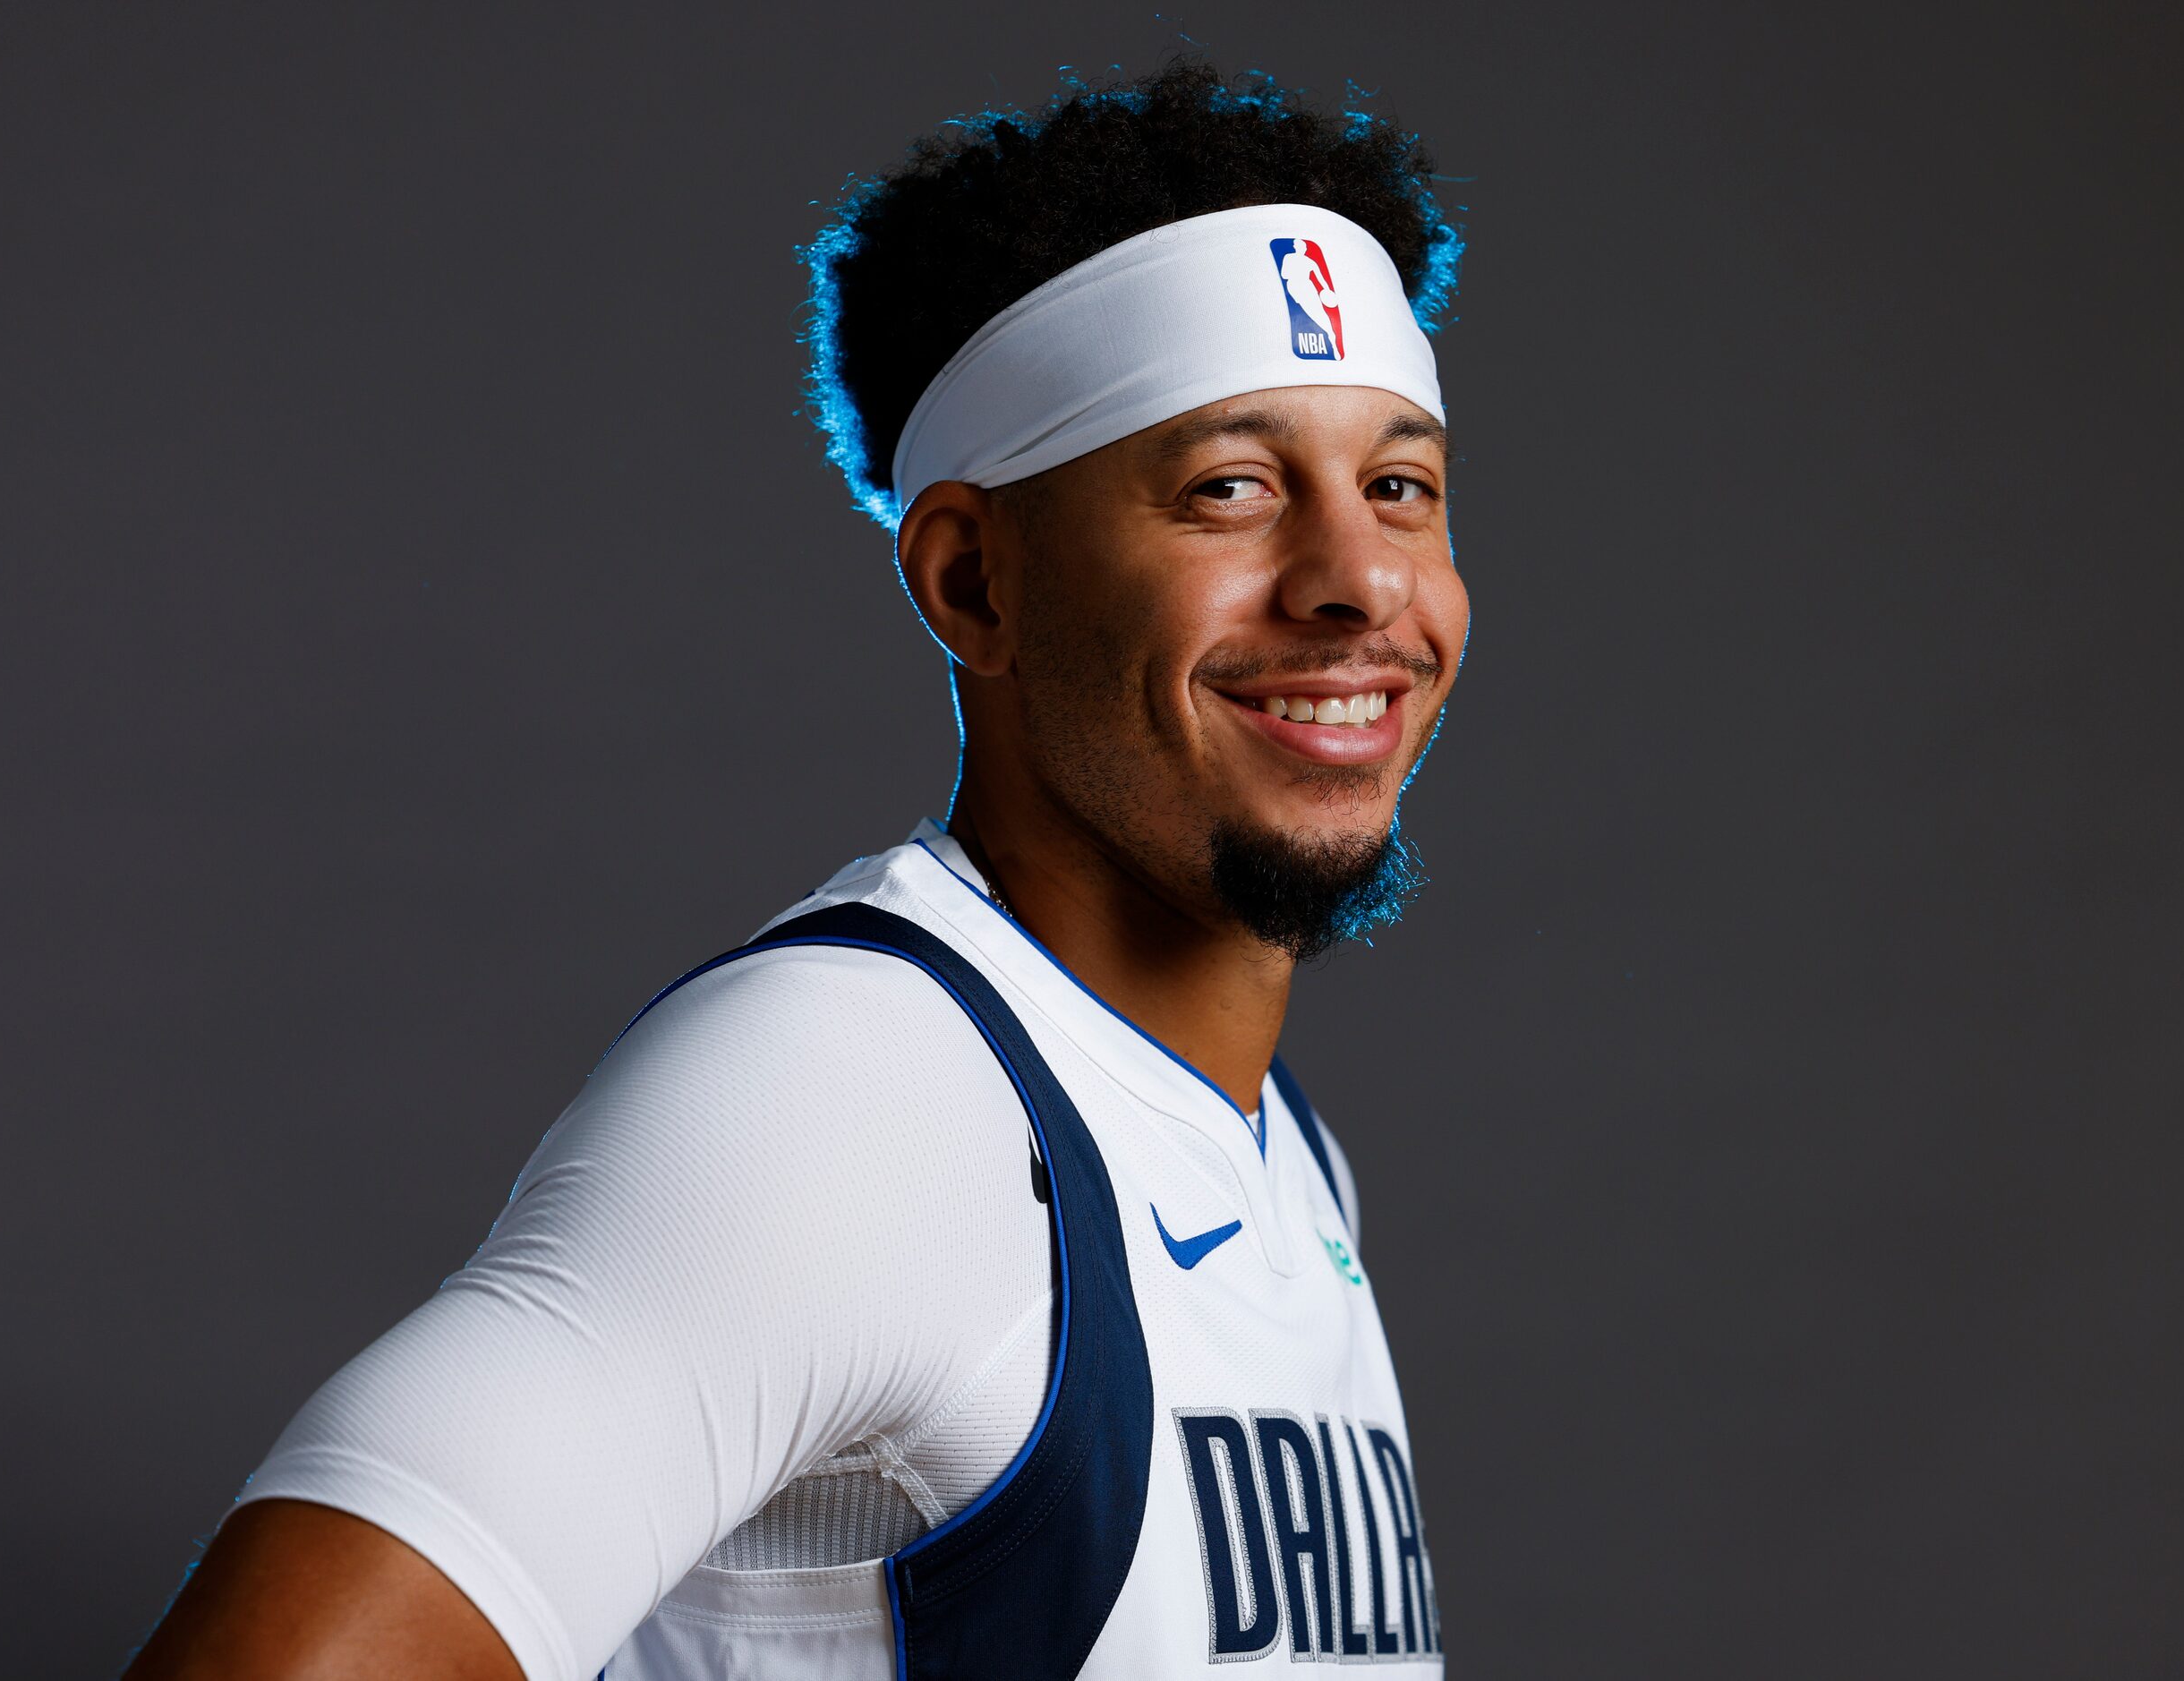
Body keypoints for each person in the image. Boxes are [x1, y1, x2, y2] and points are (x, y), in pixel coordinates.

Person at [129, 57, 1469, 1681]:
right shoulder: (856, 1098)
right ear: (974, 582)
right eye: (1231, 491)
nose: (1356, 580)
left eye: (1399, 484)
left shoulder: (1275, 1157)